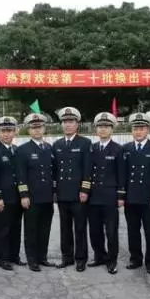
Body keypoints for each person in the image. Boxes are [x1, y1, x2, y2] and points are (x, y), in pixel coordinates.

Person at [122, 112, 150, 275]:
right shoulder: (125, 149)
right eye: (135, 128)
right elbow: (123, 174)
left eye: (141, 128)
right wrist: (122, 195)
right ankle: (135, 259)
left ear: (148, 129)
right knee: (132, 230)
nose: (138, 131)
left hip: (149, 198)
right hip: (131, 197)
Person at [52, 107, 92, 272]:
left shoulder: (85, 143)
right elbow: (54, 170)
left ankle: (81, 259)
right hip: (63, 194)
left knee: (80, 228)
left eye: (71, 122)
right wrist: (54, 191)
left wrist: (85, 190)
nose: (67, 125)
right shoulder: (57, 144)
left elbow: (87, 169)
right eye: (65, 122)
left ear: (77, 124)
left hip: (78, 194)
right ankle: (66, 257)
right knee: (64, 227)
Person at [15, 113, 55, 272]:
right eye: (34, 127)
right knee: (31, 230)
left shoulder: (49, 148)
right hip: (31, 198)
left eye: (40, 127)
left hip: (47, 197)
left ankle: (42, 257)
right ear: (29, 130)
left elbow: (53, 173)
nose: (37, 130)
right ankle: (32, 260)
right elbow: (20, 175)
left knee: (45, 229)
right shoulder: (23, 150)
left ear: (44, 129)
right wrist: (24, 196)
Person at [87, 112, 125, 275]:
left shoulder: (118, 149)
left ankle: (112, 260)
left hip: (110, 196)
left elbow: (121, 174)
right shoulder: (92, 148)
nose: (103, 130)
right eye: (100, 127)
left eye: (106, 127)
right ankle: (99, 256)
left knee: (111, 232)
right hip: (93, 196)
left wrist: (121, 196)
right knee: (95, 231)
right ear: (96, 129)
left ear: (111, 129)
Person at [0, 116, 25, 271]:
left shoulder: (17, 150)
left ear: (15, 132)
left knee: (16, 228)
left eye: (9, 131)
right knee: (2, 229)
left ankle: (14, 255)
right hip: (3, 198)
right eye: (3, 131)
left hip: (17, 197)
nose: (7, 134)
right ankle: (2, 258)